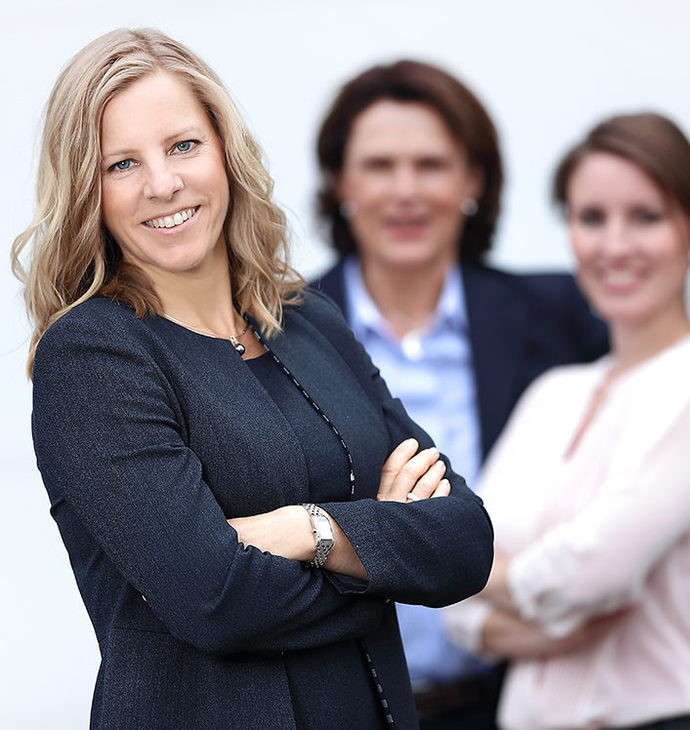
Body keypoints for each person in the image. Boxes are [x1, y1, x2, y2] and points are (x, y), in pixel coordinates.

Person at [12, 28, 493, 728]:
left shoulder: (308, 320)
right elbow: (214, 600)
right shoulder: (93, 356)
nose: (162, 184)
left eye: (183, 145)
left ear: (225, 153)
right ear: (89, 190)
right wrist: (385, 555)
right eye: (122, 164)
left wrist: (304, 530)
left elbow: (465, 540)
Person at [310, 60, 608, 728]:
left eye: (431, 165)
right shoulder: (270, 330)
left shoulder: (565, 320)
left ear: (473, 179)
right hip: (344, 708)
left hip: (517, 704)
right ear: (341, 183)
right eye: (379, 166)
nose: (406, 191)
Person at [444, 113, 690, 730]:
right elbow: (455, 592)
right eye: (591, 218)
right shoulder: (553, 394)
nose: (615, 246)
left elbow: (591, 574)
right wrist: (545, 626)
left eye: (646, 217)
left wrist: (485, 578)